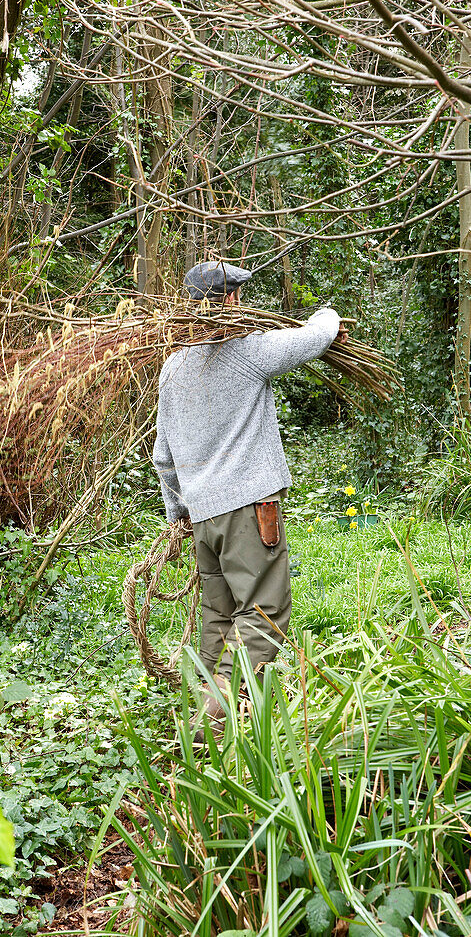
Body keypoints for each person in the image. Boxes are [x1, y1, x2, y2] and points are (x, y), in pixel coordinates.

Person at [152, 260, 346, 724]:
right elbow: (312, 339)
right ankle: (214, 721)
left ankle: (214, 723)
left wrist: (178, 511)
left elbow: (162, 455)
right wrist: (329, 315)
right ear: (232, 302)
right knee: (263, 613)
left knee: (218, 619)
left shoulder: (172, 367)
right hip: (247, 512)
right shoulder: (246, 352)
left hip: (201, 517)